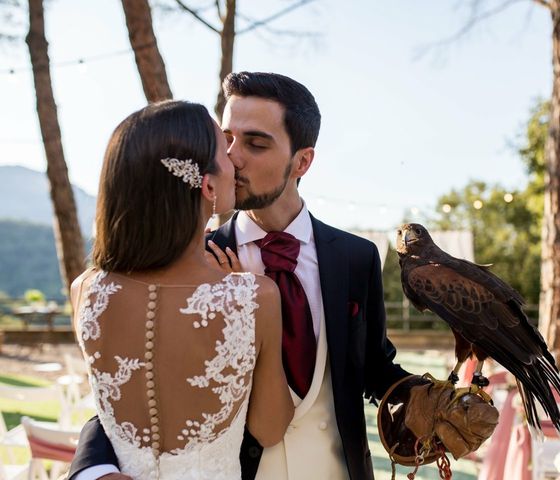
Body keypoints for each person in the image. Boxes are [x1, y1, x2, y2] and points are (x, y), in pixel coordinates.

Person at [68, 73, 410, 480]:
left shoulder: (357, 257)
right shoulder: (187, 261)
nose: (233, 157)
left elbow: (372, 365)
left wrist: (424, 396)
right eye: (227, 138)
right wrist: (92, 469)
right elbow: (130, 383)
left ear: (302, 161)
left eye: (255, 143)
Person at [68, 100, 293, 480]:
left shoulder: (86, 291)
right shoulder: (253, 299)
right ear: (207, 185)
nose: (235, 161)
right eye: (225, 151)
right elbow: (270, 428)